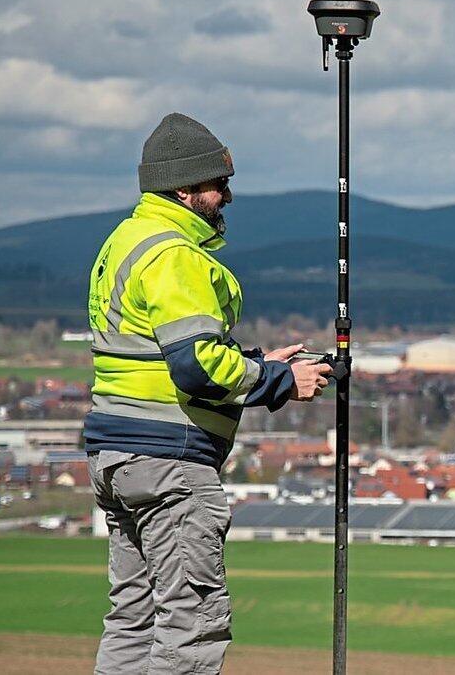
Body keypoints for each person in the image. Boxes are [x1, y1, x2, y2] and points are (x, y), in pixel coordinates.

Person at [83, 112, 331, 674]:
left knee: (133, 620)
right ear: (184, 188)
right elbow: (195, 366)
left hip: (118, 456)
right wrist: (280, 382)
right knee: (191, 624)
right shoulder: (175, 255)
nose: (228, 197)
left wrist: (255, 364)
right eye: (219, 184)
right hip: (169, 462)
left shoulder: (124, 242)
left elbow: (154, 352)